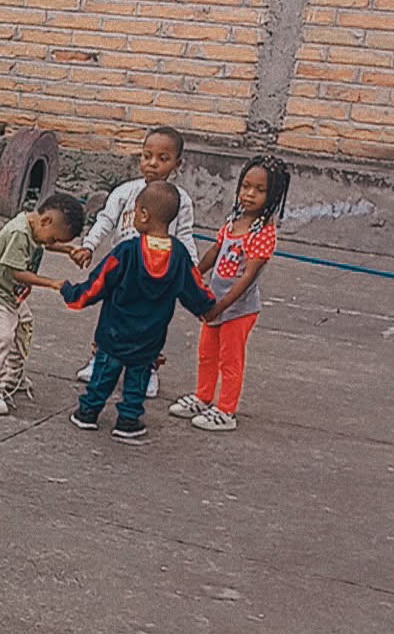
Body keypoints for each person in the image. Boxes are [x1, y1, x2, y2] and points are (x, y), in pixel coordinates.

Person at [60, 181, 217, 445]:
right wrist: (207, 309)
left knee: (103, 374)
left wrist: (72, 294)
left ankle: (88, 412)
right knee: (138, 379)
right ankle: (128, 421)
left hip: (114, 331)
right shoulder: (179, 255)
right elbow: (194, 288)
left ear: (143, 215)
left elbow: (98, 284)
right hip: (150, 337)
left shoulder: (127, 251)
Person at [69, 126, 198, 395]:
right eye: (147, 156)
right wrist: (89, 246)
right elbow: (105, 220)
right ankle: (99, 361)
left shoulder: (180, 201)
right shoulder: (125, 192)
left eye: (163, 158)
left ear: (178, 164)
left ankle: (148, 370)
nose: (153, 163)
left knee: (153, 324)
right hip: (123, 270)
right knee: (111, 318)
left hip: (158, 274)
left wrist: (192, 270)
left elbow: (185, 235)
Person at [170, 155, 291, 433]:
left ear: (273, 196)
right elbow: (215, 251)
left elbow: (247, 278)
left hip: (238, 309)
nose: (249, 194)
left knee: (230, 359)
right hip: (215, 303)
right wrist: (192, 275)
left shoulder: (263, 233)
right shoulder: (233, 221)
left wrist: (220, 306)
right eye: (245, 186)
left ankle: (226, 410)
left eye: (259, 190)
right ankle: (203, 397)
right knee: (206, 353)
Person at [0, 192, 90, 416]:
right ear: (46, 221)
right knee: (3, 336)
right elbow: (17, 273)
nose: (51, 243)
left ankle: (12, 375)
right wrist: (51, 283)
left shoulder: (35, 227)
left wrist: (68, 249)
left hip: (11, 295)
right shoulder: (19, 233)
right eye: (54, 238)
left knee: (24, 325)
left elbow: (44, 243)